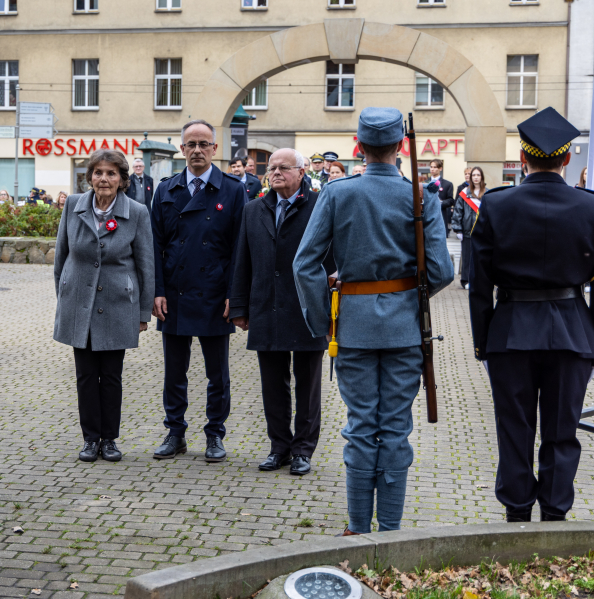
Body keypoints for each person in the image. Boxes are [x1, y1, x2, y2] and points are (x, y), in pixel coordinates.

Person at [293, 107, 453, 535]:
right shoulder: (420, 195)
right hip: (405, 330)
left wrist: (321, 320)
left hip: (354, 328)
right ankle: (392, 531)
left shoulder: (337, 192)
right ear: (400, 147)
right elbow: (441, 271)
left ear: (359, 147)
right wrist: (405, 297)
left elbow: (305, 264)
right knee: (396, 428)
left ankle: (359, 528)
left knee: (361, 427)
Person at [469, 107, 594, 523]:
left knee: (514, 429)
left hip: (510, 333)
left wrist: (482, 340)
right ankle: (555, 517)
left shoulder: (497, 204)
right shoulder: (588, 206)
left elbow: (479, 282)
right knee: (562, 432)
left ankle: (517, 514)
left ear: (523, 158)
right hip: (572, 333)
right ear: (566, 159)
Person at [150, 120, 247, 462]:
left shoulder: (233, 190)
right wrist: (157, 291)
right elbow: (155, 246)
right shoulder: (166, 190)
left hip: (214, 294)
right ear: (181, 149)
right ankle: (175, 432)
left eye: (203, 144)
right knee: (174, 372)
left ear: (214, 149)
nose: (197, 150)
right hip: (174, 294)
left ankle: (215, 435)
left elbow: (240, 249)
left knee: (216, 373)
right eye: (190, 144)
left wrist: (234, 296)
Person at [230, 149, 331, 476]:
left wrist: (332, 309)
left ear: (301, 172)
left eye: (283, 168)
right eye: (271, 168)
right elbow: (241, 261)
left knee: (308, 384)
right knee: (272, 384)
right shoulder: (253, 209)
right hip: (266, 307)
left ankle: (303, 450)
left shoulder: (319, 205)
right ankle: (279, 447)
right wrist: (240, 306)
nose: (275, 173)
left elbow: (333, 258)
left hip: (308, 308)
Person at [53, 149, 155, 462]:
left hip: (117, 305)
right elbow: (61, 257)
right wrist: (65, 297)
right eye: (98, 173)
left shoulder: (136, 212)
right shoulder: (72, 205)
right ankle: (89, 440)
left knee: (111, 377)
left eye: (111, 173)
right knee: (85, 376)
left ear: (122, 179)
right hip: (78, 305)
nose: (104, 179)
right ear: (90, 177)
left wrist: (142, 312)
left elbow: (145, 265)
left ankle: (109, 439)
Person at [451, 167, 485, 289]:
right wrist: (458, 229)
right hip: (466, 231)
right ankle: (466, 280)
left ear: (482, 177)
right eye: (473, 175)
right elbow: (457, 212)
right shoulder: (464, 193)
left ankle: (480, 280)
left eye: (478, 175)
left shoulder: (487, 193)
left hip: (482, 232)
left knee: (481, 257)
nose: (476, 177)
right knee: (467, 257)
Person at [428, 159, 454, 235]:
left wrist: (440, 202)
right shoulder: (424, 183)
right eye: (431, 167)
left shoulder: (447, 184)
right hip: (427, 215)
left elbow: (451, 200)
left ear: (440, 168)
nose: (432, 169)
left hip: (441, 215)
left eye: (435, 167)